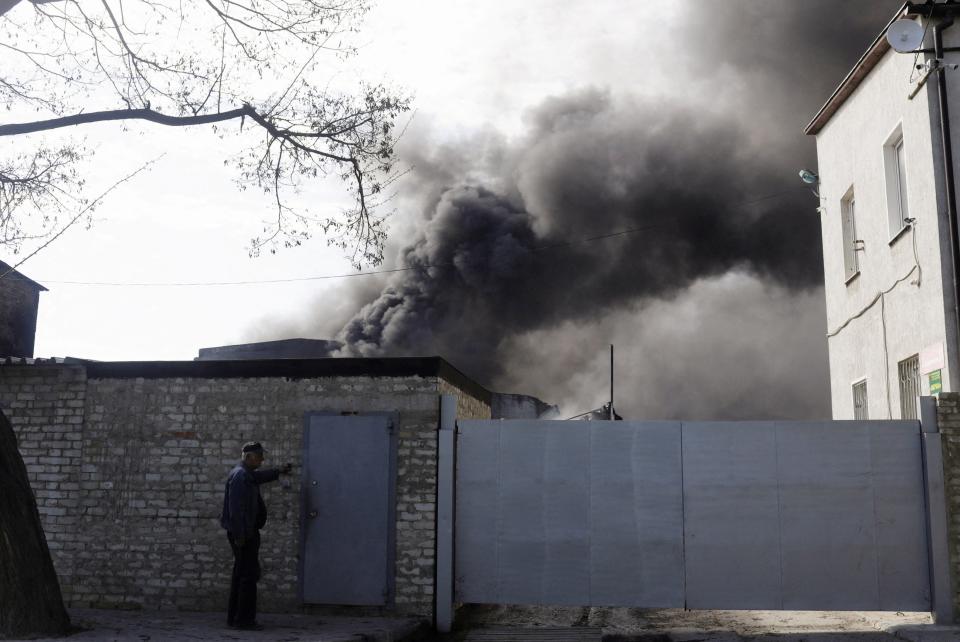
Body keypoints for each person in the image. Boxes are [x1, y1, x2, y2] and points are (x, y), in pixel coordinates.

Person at [220, 441, 292, 630]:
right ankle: (243, 621)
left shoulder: (246, 474)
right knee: (248, 576)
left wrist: (278, 471)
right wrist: (240, 536)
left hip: (246, 533)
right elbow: (235, 511)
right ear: (249, 457)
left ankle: (235, 618)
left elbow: (258, 477)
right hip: (244, 535)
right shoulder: (240, 476)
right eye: (259, 457)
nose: (262, 460)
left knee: (241, 574)